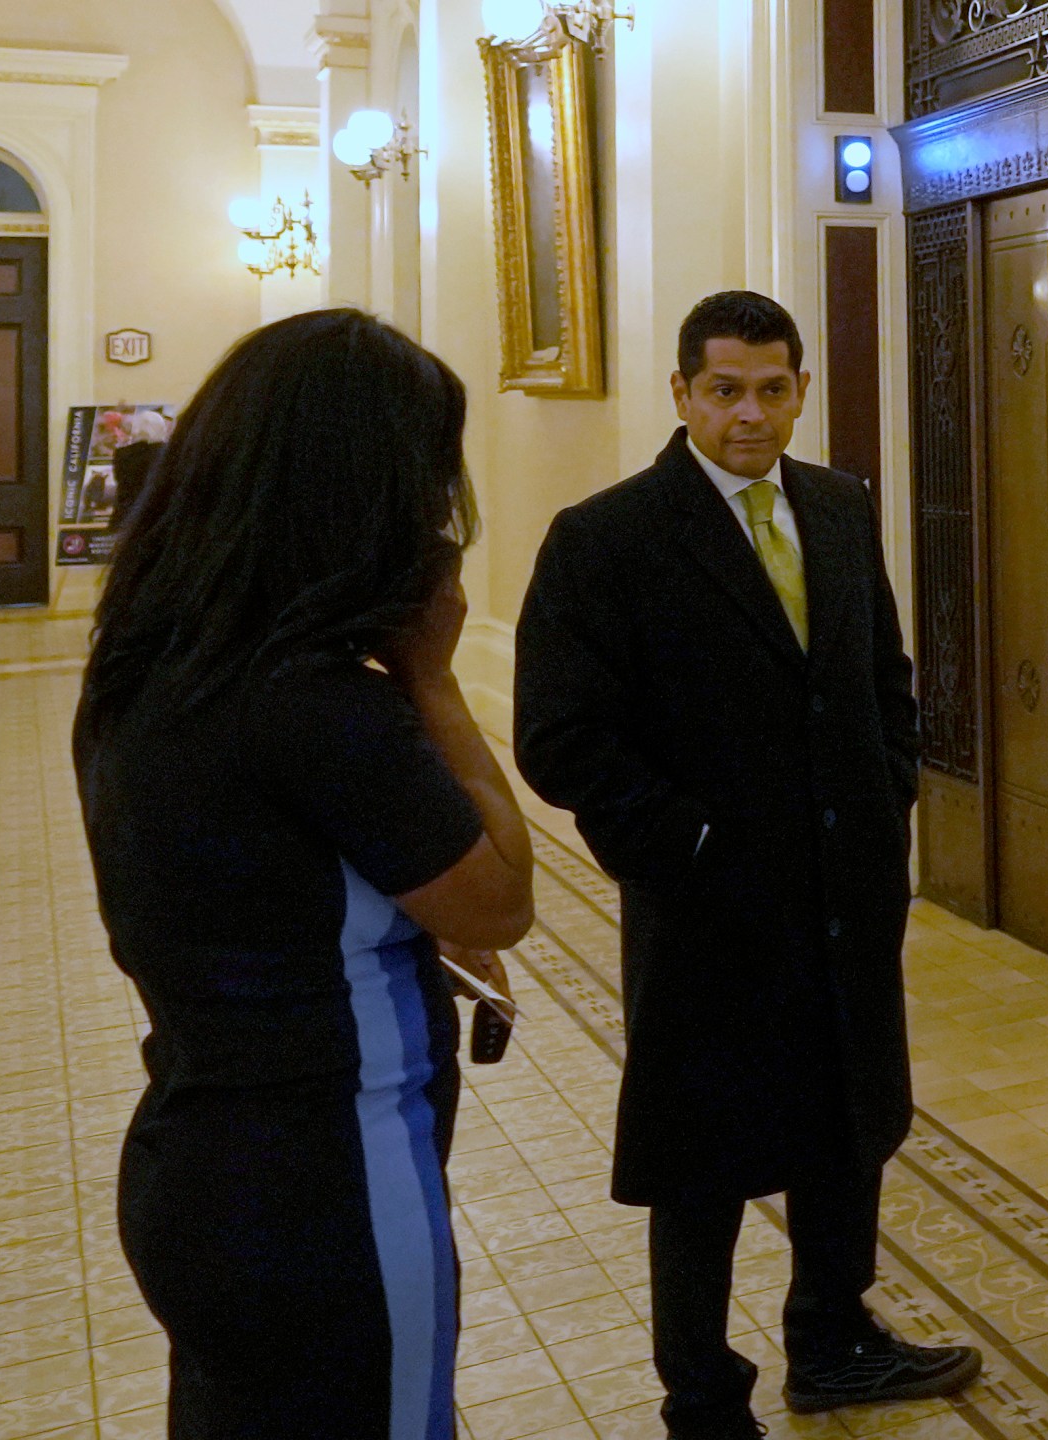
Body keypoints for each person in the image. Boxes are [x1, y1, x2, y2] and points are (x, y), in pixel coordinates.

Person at [514, 291, 975, 1438]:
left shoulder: (836, 506)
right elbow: (561, 737)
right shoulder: (607, 537)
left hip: (843, 896)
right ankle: (702, 1392)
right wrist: (687, 843)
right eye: (725, 391)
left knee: (846, 1122)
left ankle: (834, 1337)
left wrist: (888, 794)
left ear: (800, 390)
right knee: (702, 1157)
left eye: (773, 390)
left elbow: (883, 676)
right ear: (681, 394)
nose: (750, 415)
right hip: (707, 907)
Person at [74, 309, 533, 1439]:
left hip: (200, 1158)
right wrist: (432, 680)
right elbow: (503, 899)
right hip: (327, 1182)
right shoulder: (314, 703)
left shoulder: (151, 663)